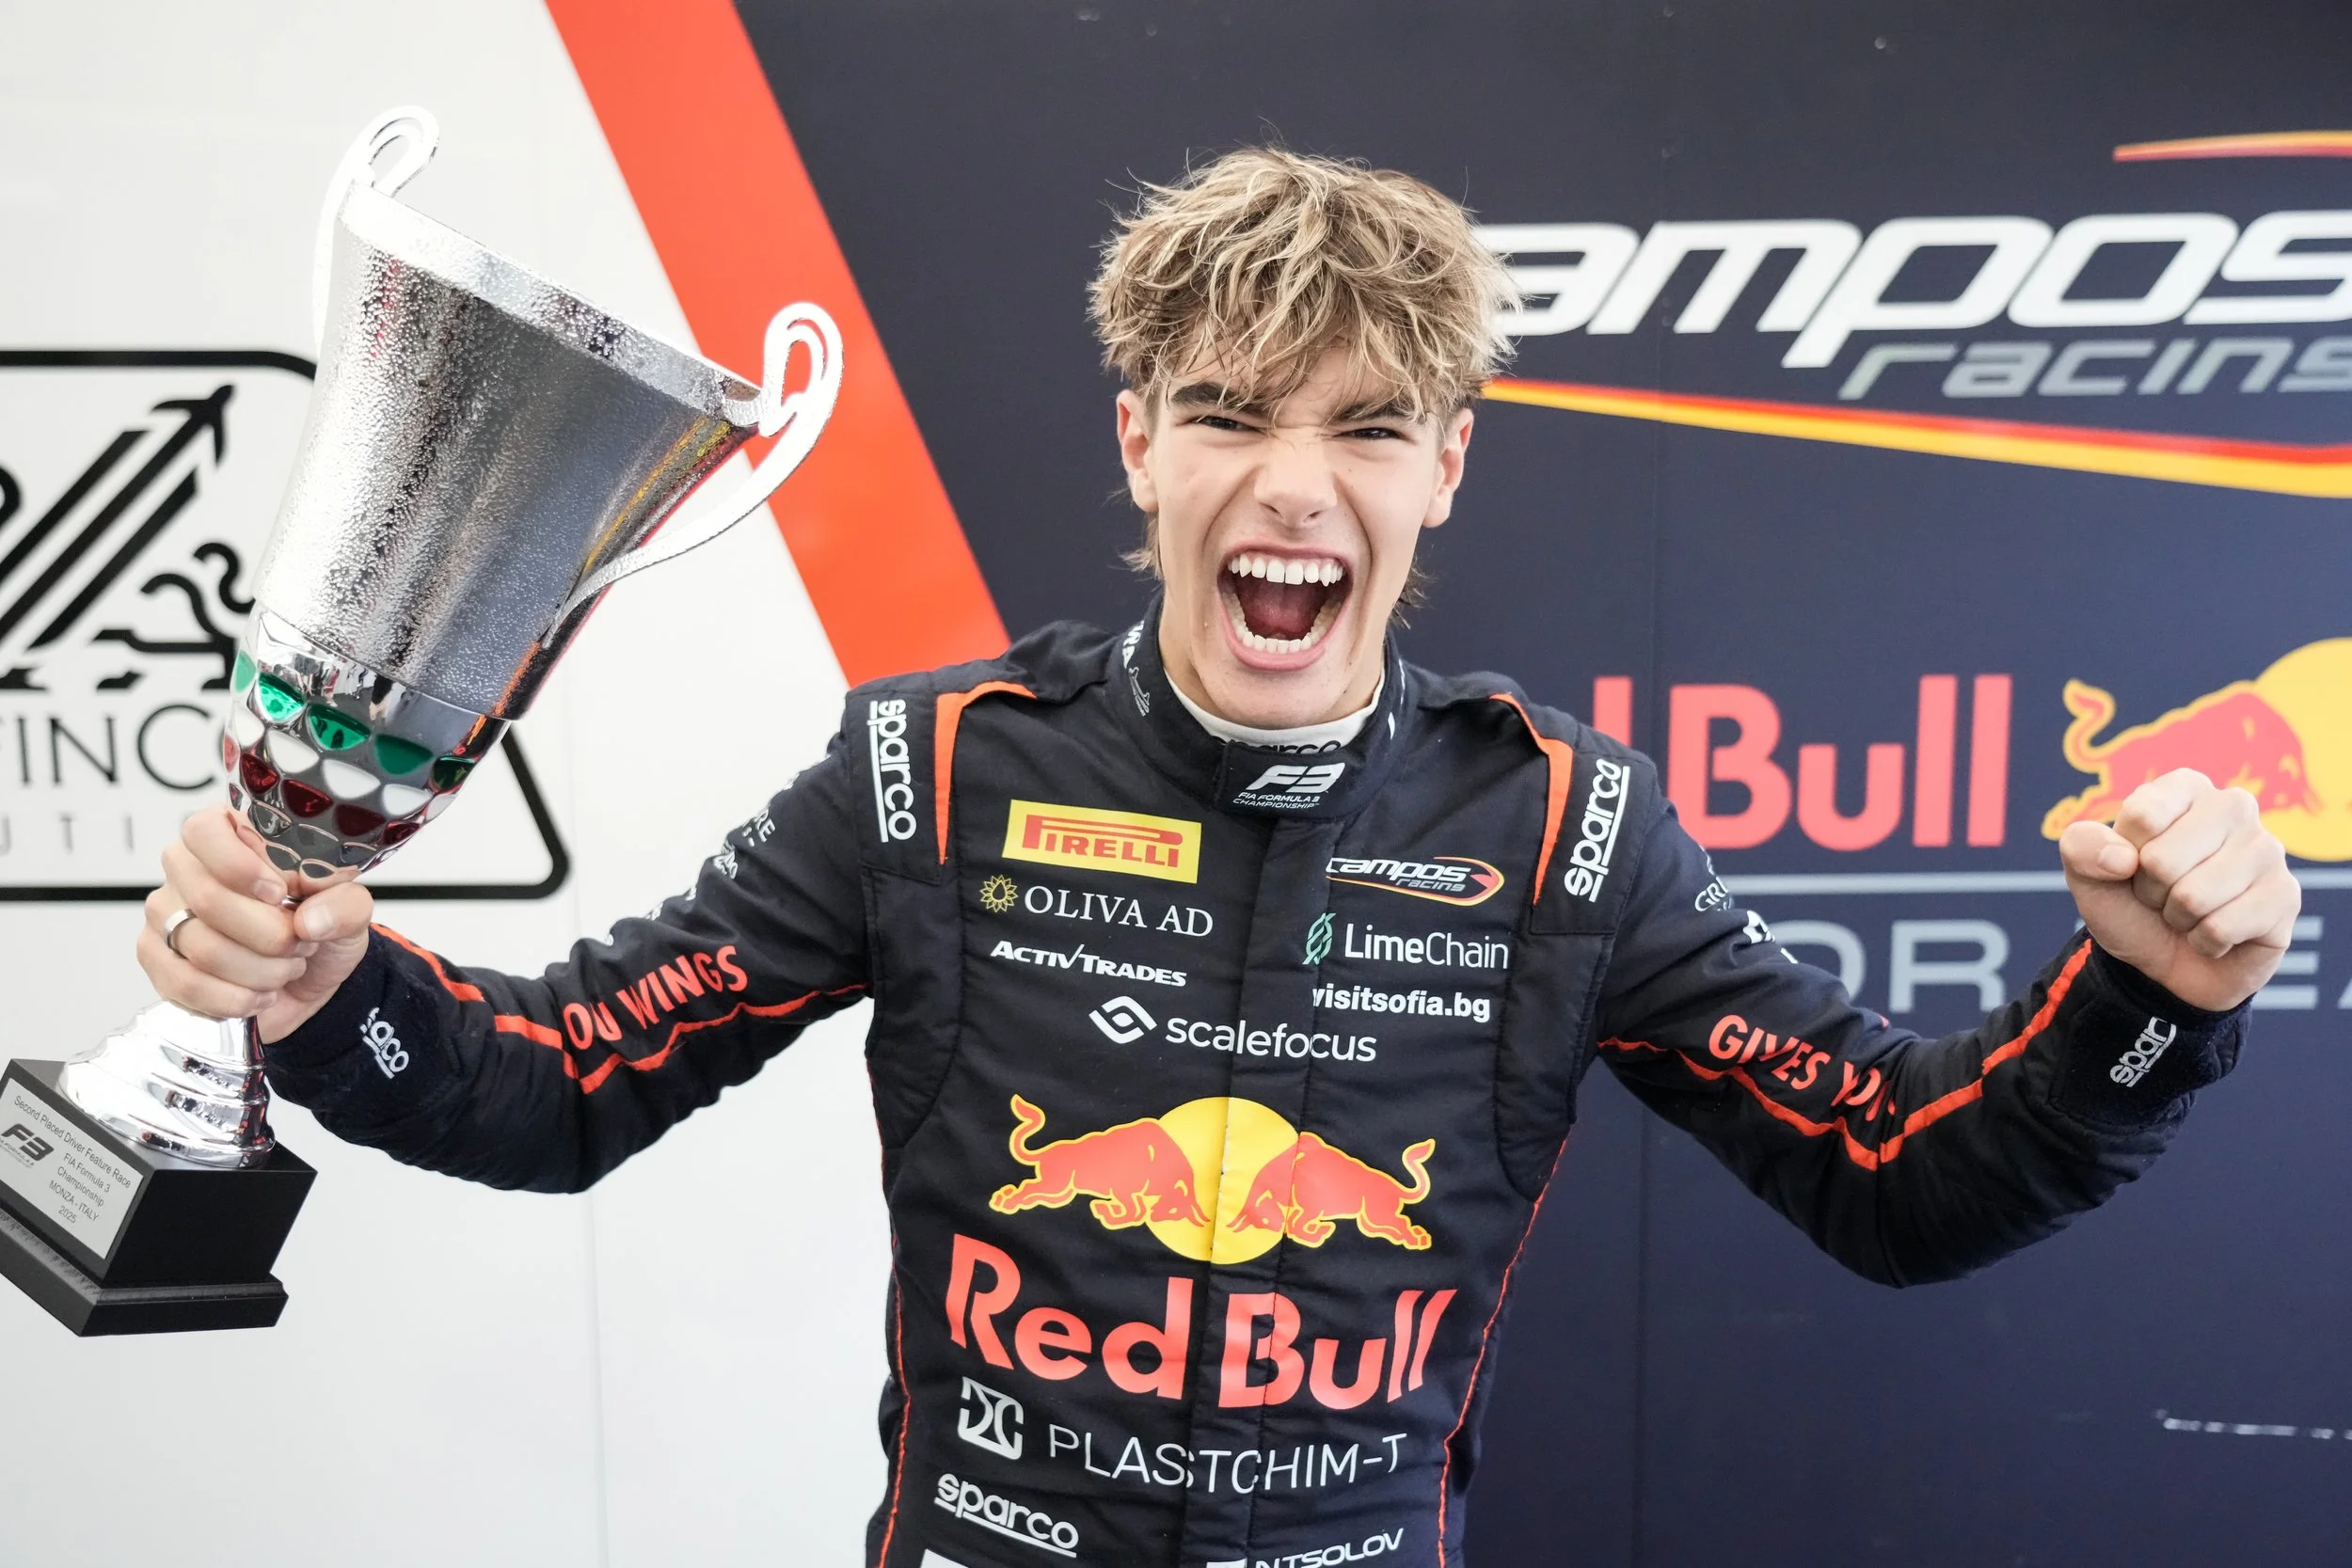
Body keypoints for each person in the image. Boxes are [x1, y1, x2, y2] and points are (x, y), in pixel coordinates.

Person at [142, 150, 2297, 1568]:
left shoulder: (1559, 823)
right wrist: (329, 984)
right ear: (1137, 442)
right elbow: (561, 1078)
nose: (1295, 483)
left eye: (1366, 425)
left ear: (1443, 470)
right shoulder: (933, 769)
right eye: (1231, 411)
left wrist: (2149, 1003)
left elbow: (1912, 1177)